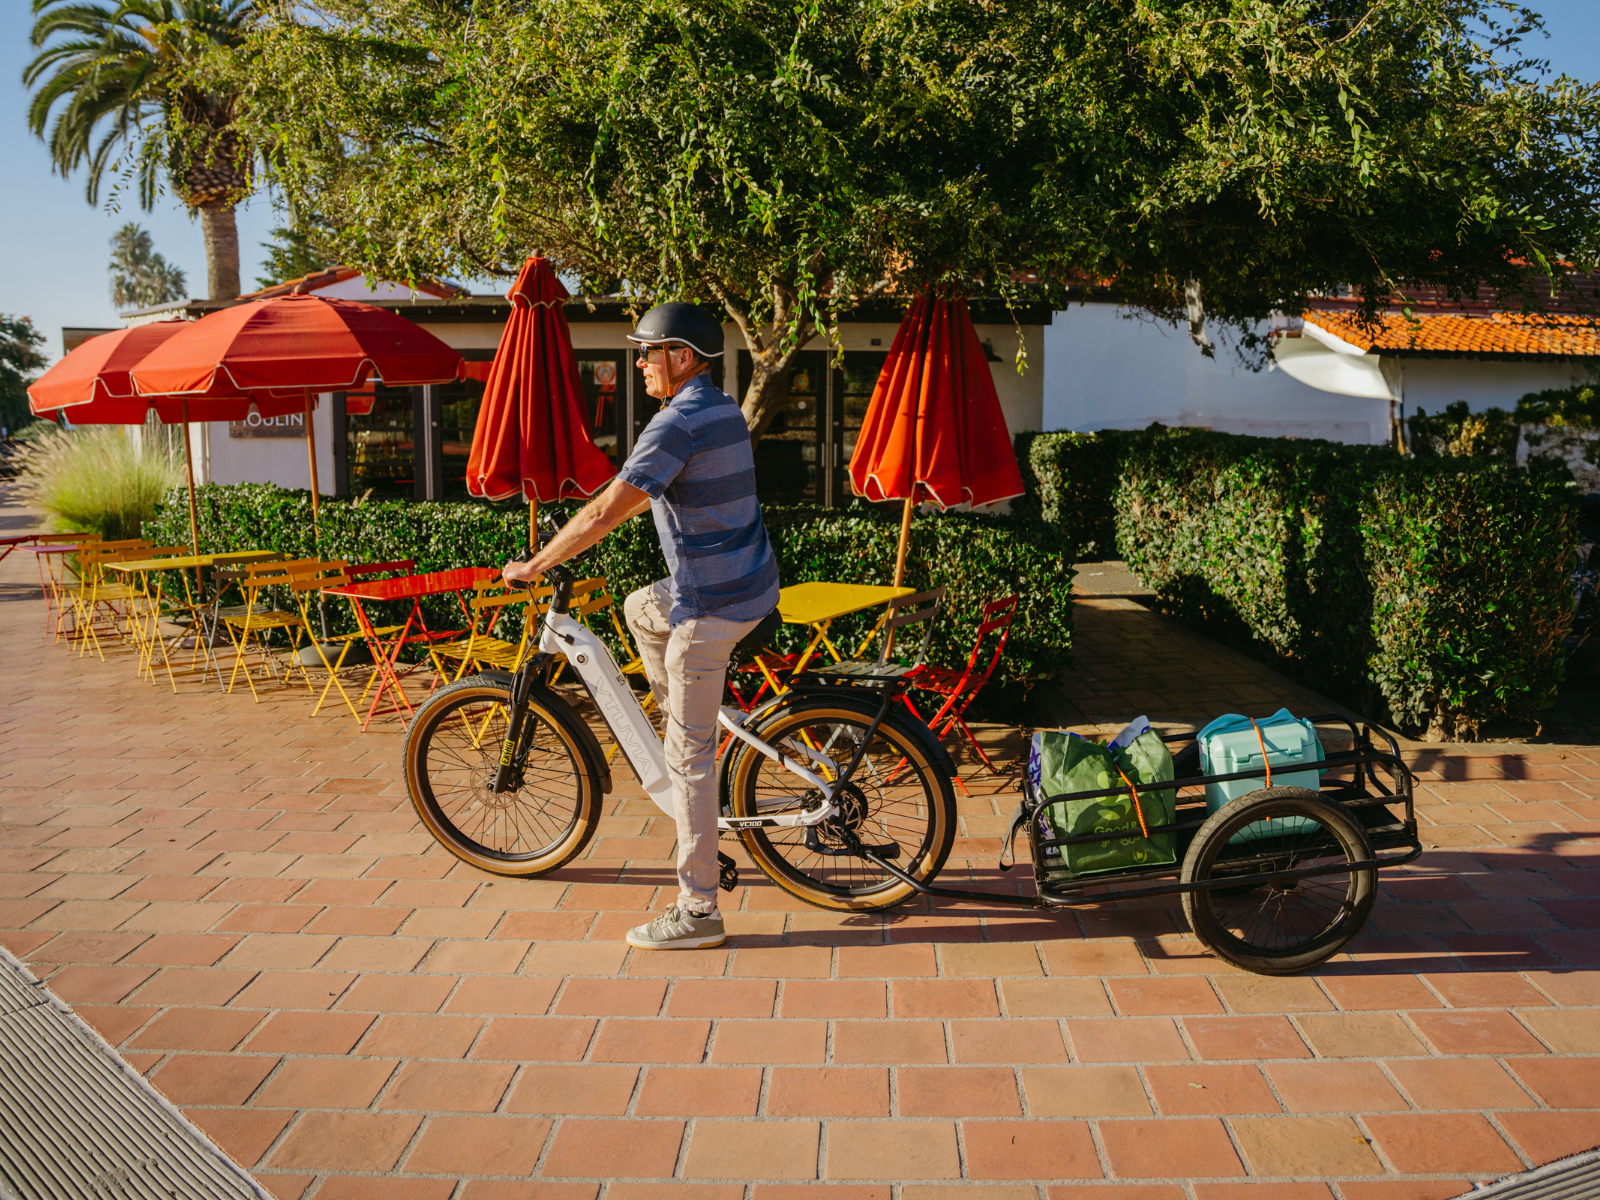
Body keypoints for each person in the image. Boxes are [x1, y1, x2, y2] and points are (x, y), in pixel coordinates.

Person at [502, 300, 780, 950]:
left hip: (712, 607)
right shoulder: (720, 406)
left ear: (681, 357)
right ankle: (683, 712)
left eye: (648, 351)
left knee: (689, 763)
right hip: (750, 583)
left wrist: (539, 563)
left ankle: (698, 909)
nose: (639, 361)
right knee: (637, 608)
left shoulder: (676, 423)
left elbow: (604, 512)